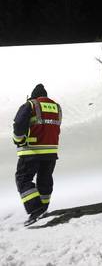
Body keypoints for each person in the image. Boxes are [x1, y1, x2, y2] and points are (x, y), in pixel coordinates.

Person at [13, 84, 62, 226]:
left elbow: (18, 125)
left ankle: (36, 209)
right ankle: (44, 208)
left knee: (23, 179)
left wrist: (18, 140)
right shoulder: (56, 107)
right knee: (44, 179)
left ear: (33, 95)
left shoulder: (31, 104)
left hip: (32, 151)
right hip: (51, 151)